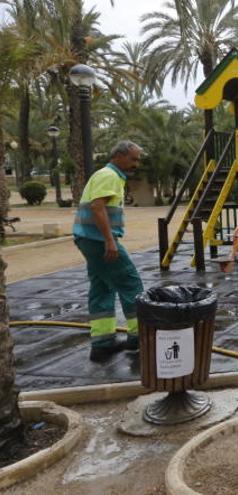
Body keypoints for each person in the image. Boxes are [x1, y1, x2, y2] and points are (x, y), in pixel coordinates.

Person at [73, 140, 145, 362]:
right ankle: (139, 338)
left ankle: (102, 343)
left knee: (102, 287)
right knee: (130, 283)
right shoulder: (109, 176)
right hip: (98, 240)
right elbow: (97, 206)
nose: (136, 164)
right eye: (133, 159)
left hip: (87, 238)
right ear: (119, 156)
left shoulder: (107, 175)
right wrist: (110, 241)